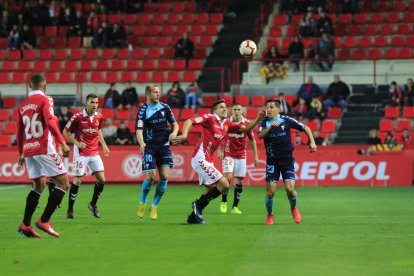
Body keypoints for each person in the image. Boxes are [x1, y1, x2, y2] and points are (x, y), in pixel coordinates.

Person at [172, 100, 266, 224]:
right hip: (200, 158)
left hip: (208, 160)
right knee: (224, 184)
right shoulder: (210, 118)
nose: (225, 109)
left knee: (208, 190)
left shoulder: (227, 123)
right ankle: (197, 205)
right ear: (215, 110)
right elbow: (189, 121)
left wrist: (258, 118)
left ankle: (194, 216)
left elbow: (245, 128)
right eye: (221, 107)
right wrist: (184, 135)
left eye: (225, 107)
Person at [17, 73, 71, 238]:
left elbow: (19, 131)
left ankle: (26, 225)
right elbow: (49, 121)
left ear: (29, 85)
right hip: (43, 147)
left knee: (39, 186)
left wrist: (20, 152)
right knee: (63, 184)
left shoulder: (23, 104)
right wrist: (62, 142)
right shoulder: (46, 100)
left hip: (28, 149)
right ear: (45, 85)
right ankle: (44, 221)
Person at [258, 99, 317, 225]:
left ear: (278, 109)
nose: (268, 109)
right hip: (272, 161)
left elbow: (305, 128)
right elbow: (260, 135)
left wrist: (312, 142)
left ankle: (294, 208)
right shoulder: (264, 122)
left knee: (290, 189)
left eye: (271, 107)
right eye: (267, 107)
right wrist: (269, 128)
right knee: (270, 192)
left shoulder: (286, 120)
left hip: (287, 160)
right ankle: (270, 215)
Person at [135, 84, 179, 220]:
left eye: (159, 92)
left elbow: (175, 124)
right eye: (155, 92)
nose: (158, 94)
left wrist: (175, 132)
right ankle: (142, 202)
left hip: (164, 146)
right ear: (148, 94)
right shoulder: (143, 110)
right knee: (150, 177)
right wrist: (141, 143)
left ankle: (154, 206)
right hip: (150, 147)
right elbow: (139, 130)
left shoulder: (165, 107)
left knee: (164, 177)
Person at [63, 93, 110, 219]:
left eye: (96, 102)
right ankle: (70, 209)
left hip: (94, 152)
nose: (95, 105)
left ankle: (93, 204)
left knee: (102, 180)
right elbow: (65, 131)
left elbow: (98, 130)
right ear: (86, 103)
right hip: (81, 153)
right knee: (77, 180)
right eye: (92, 102)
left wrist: (104, 145)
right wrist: (77, 143)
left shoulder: (99, 116)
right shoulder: (77, 117)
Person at [216, 103, 259, 215]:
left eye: (238, 109)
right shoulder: (226, 122)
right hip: (228, 153)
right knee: (228, 177)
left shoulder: (247, 124)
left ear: (242, 112)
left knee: (239, 181)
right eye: (234, 109)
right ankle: (224, 201)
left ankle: (235, 207)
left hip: (241, 155)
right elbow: (219, 135)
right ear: (232, 111)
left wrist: (256, 156)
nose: (236, 111)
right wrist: (219, 150)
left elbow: (252, 140)